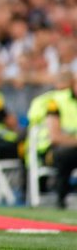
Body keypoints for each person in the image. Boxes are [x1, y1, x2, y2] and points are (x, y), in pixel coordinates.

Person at [27, 71, 77, 209]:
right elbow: (55, 137)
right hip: (49, 150)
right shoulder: (55, 102)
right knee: (65, 155)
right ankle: (61, 197)